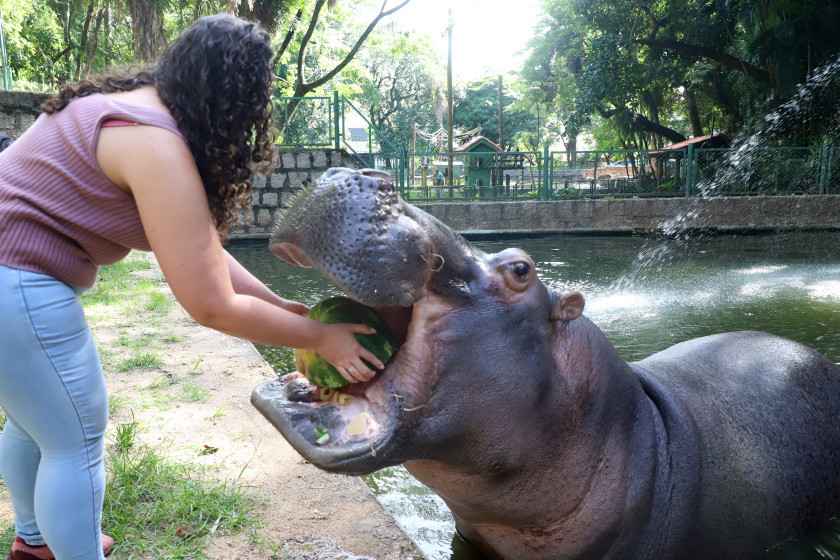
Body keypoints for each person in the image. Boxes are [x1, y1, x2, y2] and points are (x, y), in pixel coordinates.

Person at [0, 14, 383, 560]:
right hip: (15, 282)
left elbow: (202, 251)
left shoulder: (131, 103)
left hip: (7, 276)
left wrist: (275, 303)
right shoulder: (155, 143)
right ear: (238, 103)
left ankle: (36, 541)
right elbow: (209, 304)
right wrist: (320, 337)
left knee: (31, 418)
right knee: (74, 438)